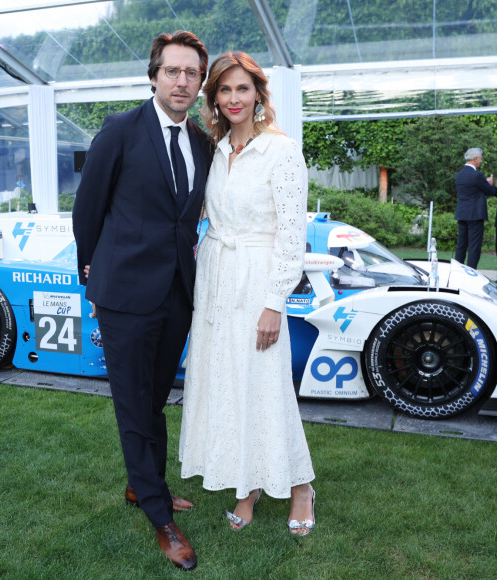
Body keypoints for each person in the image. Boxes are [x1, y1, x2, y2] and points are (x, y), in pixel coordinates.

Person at [72, 31, 212, 571]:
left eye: (191, 74)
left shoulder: (200, 142)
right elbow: (89, 209)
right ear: (154, 76)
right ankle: (160, 516)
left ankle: (142, 485)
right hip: (125, 293)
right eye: (172, 71)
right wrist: (91, 270)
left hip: (177, 293)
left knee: (154, 399)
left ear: (200, 82)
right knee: (133, 405)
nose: (182, 82)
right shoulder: (120, 130)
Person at [179, 52, 316, 537]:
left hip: (258, 281)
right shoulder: (214, 150)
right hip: (215, 279)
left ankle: (301, 485)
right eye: (224, 90)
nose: (233, 98)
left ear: (258, 93)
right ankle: (247, 485)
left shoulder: (281, 150)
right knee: (228, 386)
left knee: (265, 387)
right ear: (212, 97)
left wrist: (274, 303)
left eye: (242, 89)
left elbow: (291, 234)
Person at [454, 147, 496, 269]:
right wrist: (489, 183)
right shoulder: (477, 175)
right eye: (481, 158)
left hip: (462, 214)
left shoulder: (459, 174)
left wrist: (484, 182)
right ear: (476, 159)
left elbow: (473, 189)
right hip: (475, 215)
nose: (481, 161)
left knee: (461, 246)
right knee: (474, 247)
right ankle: (471, 273)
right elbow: (490, 191)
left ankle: (457, 270)